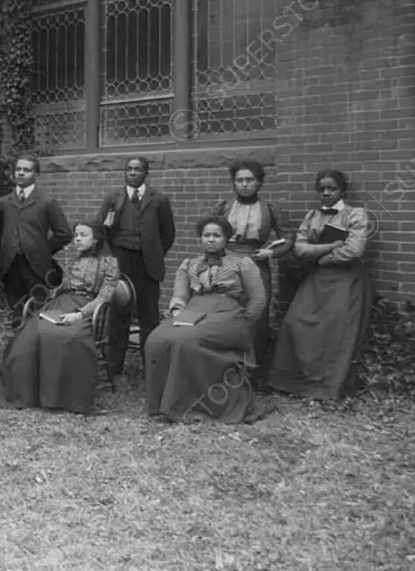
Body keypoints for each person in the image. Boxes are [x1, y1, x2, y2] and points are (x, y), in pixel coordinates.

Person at [143, 216, 267, 423]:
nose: (211, 240)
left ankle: (189, 406)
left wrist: (243, 324)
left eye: (216, 236)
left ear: (226, 239)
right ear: (200, 239)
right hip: (194, 312)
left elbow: (258, 299)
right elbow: (180, 296)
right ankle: (161, 405)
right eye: (206, 235)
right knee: (156, 339)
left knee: (186, 341)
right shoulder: (189, 264)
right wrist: (176, 312)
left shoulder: (242, 264)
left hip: (228, 315)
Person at [0, 221, 120, 415]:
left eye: (83, 235)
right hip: (61, 303)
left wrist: (79, 314)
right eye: (76, 235)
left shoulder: (110, 263)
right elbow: (63, 287)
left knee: (69, 337)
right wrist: (48, 296)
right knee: (29, 334)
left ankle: (62, 397)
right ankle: (29, 393)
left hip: (86, 309)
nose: (78, 239)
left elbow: (103, 297)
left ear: (97, 238)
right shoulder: (75, 260)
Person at [267, 170, 374, 400]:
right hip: (317, 279)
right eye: (322, 189)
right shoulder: (312, 216)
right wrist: (328, 248)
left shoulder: (355, 215)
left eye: (332, 188)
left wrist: (323, 258)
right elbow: (299, 248)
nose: (326, 193)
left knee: (335, 330)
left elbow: (354, 250)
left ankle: (327, 388)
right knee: (296, 322)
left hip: (345, 280)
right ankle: (295, 383)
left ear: (342, 191)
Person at [95, 157, 175, 381]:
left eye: (137, 169)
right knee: (119, 315)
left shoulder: (159, 199)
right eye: (128, 169)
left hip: (148, 265)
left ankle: (151, 369)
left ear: (146, 173)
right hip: (121, 262)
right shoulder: (114, 198)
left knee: (149, 316)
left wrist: (153, 253)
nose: (132, 173)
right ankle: (114, 368)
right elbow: (101, 229)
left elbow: (168, 233)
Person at [212, 159, 293, 376]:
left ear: (259, 183)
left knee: (256, 316)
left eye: (250, 180)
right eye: (240, 180)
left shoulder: (269, 209)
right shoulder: (224, 207)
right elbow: (211, 234)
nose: (245, 184)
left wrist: (271, 252)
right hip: (227, 264)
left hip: (256, 264)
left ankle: (253, 372)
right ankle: (224, 368)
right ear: (234, 183)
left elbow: (288, 238)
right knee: (226, 312)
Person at [0, 153, 73, 319]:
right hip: (11, 265)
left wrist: (42, 249)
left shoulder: (46, 202)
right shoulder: (4, 203)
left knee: (36, 309)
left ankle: (35, 341)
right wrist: (10, 246)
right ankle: (17, 340)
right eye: (18, 169)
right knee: (15, 309)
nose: (20, 173)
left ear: (36, 175)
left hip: (36, 267)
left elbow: (64, 234)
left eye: (26, 170)